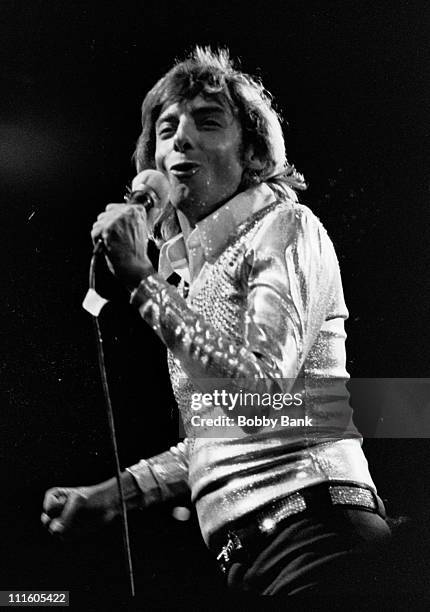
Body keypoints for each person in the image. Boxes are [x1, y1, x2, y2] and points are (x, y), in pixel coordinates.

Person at [41, 47, 390, 598]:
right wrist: (110, 495)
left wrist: (139, 280)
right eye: (166, 128)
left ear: (251, 153)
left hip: (318, 537)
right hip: (256, 561)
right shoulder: (190, 282)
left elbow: (261, 391)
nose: (181, 139)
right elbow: (219, 432)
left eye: (208, 122)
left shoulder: (285, 226)